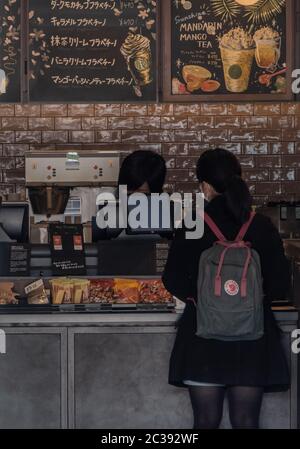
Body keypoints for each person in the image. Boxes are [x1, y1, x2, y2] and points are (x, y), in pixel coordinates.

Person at [162, 148, 290, 429]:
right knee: (246, 421)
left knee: (205, 421)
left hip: (203, 339)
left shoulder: (194, 224)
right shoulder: (261, 225)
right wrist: (249, 300)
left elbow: (171, 278)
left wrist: (201, 299)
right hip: (253, 339)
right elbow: (281, 283)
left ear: (204, 186)